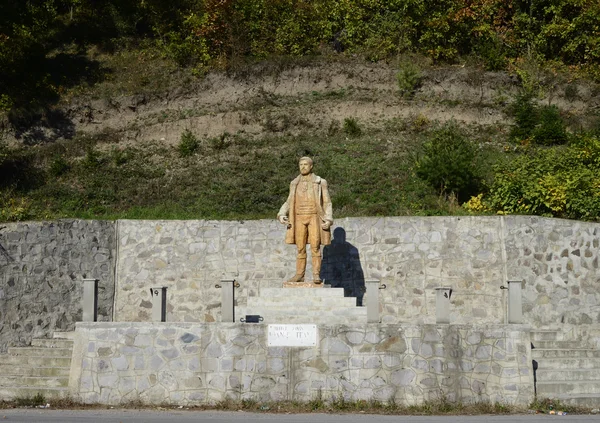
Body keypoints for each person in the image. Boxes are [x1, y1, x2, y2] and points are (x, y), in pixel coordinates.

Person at [278, 157, 333, 283]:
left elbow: (327, 202)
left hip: (314, 216)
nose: (303, 167)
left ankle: (315, 274)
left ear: (311, 166)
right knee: (300, 248)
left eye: (305, 164)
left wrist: (328, 219)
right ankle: (299, 274)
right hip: (298, 218)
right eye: (301, 164)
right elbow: (289, 201)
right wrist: (281, 214)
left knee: (315, 246)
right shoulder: (294, 183)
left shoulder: (320, 182)